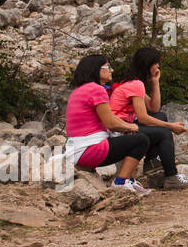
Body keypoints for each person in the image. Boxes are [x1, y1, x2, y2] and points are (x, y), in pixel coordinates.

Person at [64, 55, 151, 194]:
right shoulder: (97, 90)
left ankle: (128, 180)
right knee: (141, 140)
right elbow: (110, 122)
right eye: (108, 67)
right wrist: (131, 127)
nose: (112, 70)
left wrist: (124, 129)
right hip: (90, 149)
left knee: (128, 137)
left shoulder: (79, 90)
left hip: (76, 149)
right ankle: (121, 182)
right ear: (96, 69)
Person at [109, 47, 188, 188]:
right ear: (149, 64)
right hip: (119, 130)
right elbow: (143, 118)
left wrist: (155, 82)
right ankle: (171, 176)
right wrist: (171, 126)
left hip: (124, 126)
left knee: (161, 116)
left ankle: (152, 161)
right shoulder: (136, 84)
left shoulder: (132, 83)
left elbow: (154, 108)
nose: (158, 66)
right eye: (156, 63)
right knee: (164, 132)